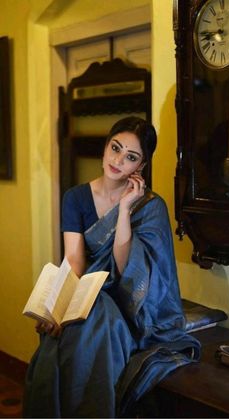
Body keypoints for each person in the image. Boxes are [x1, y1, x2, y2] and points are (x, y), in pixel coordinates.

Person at [23, 116, 200, 418]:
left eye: (131, 157)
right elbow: (75, 260)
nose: (118, 160)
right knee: (54, 345)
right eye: (115, 148)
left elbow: (126, 269)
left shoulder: (149, 206)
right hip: (88, 291)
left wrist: (125, 210)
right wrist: (57, 306)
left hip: (131, 305)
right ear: (105, 146)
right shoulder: (75, 197)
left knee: (98, 319)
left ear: (140, 167)